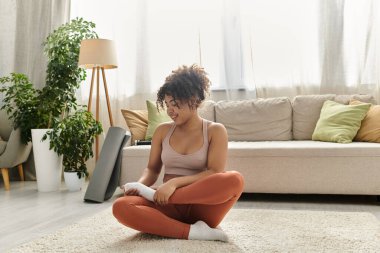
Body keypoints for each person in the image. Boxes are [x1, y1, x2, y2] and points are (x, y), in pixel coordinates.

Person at [112, 64, 244, 241]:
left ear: (193, 99)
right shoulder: (162, 131)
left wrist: (173, 185)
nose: (169, 111)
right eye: (167, 104)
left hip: (201, 207)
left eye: (174, 104)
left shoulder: (215, 131)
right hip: (164, 203)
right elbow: (152, 170)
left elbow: (214, 172)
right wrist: (139, 187)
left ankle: (173, 226)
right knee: (120, 206)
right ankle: (194, 233)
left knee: (235, 180)